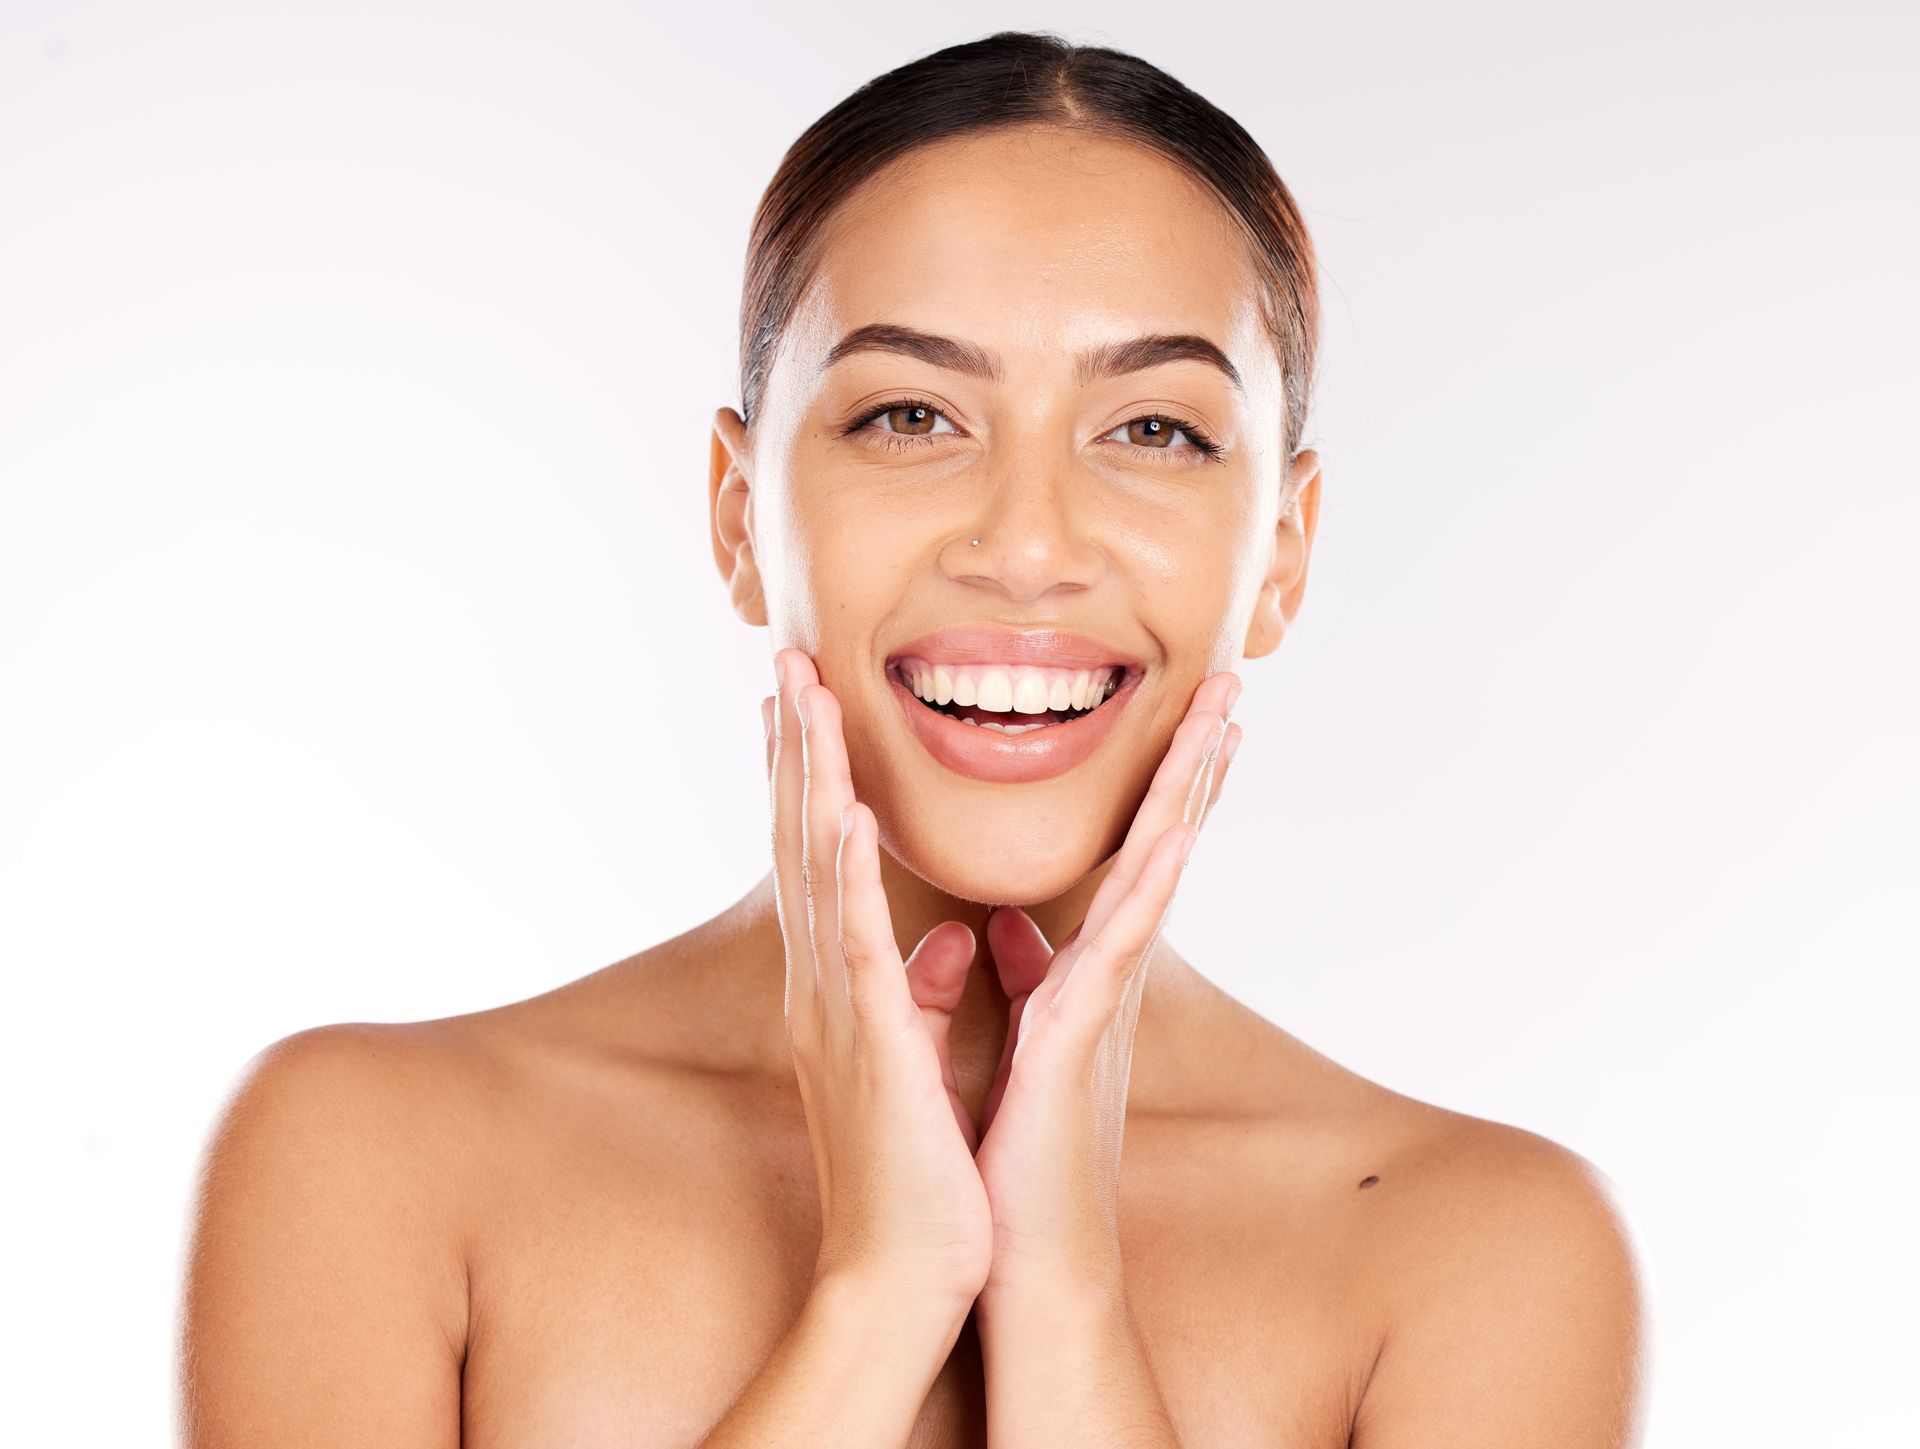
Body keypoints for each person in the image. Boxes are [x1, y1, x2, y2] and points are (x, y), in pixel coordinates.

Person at [178, 30, 1645, 1447]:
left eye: (1154, 431)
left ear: (1283, 552)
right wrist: (878, 1294)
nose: (1024, 544)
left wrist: (1064, 1296)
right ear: (739, 514)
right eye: (907, 414)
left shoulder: (1486, 1257)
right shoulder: (363, 1164)